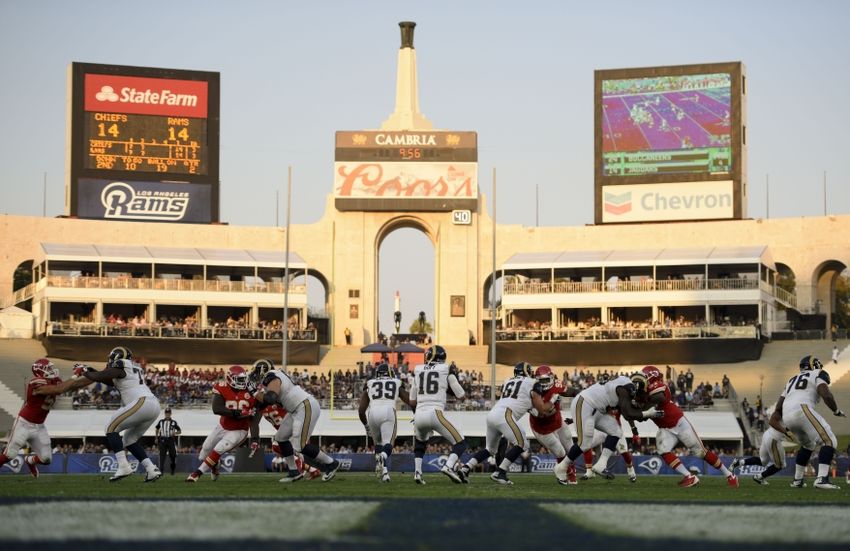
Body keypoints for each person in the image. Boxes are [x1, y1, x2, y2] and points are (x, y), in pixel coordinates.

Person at [635, 365, 738, 488]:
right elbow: (641, 416)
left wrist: (641, 405)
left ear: (651, 378)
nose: (640, 382)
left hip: (679, 423)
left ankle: (730, 475)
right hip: (665, 429)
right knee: (663, 450)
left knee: (701, 453)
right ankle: (689, 476)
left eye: (643, 378)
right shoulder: (641, 394)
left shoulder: (659, 387)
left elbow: (658, 398)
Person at [553, 371, 660, 485]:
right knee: (584, 444)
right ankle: (561, 467)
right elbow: (628, 413)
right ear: (638, 386)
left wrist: (645, 413)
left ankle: (601, 465)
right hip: (585, 403)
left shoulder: (623, 385)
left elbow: (630, 413)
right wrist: (648, 413)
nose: (640, 395)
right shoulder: (626, 387)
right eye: (641, 391)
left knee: (616, 432)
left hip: (597, 409)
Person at [459, 362, 552, 485]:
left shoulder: (508, 381)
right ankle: (500, 472)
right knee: (522, 443)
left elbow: (522, 400)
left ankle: (466, 468)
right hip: (505, 415)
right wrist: (551, 403)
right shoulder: (532, 383)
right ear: (528, 372)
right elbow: (540, 409)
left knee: (490, 450)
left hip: (493, 414)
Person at [80, 346, 163, 482]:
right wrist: (88, 370)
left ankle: (123, 466)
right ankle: (151, 469)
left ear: (117, 358)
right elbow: (105, 378)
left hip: (141, 402)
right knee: (129, 440)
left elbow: (101, 375)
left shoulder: (121, 364)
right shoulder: (130, 368)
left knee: (110, 428)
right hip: (153, 405)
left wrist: (84, 372)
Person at [0, 359, 92, 477]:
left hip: (39, 426)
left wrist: (95, 376)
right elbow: (59, 389)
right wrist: (76, 374)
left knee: (46, 459)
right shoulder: (36, 383)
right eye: (48, 368)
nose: (51, 370)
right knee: (9, 455)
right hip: (24, 423)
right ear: (40, 371)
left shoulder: (55, 380)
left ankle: (30, 461)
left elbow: (75, 384)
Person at [255, 364, 341, 483]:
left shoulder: (272, 376)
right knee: (280, 438)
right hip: (295, 409)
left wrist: (254, 391)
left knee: (299, 445)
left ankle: (331, 463)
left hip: (304, 406)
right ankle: (293, 471)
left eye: (257, 372)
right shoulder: (275, 376)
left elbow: (270, 399)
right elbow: (265, 402)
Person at [774, 355, 845, 489]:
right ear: (814, 365)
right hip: (802, 409)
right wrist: (835, 410)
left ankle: (797, 480)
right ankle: (822, 479)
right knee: (829, 441)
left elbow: (778, 407)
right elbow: (826, 394)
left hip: (787, 415)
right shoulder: (818, 373)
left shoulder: (791, 380)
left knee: (808, 445)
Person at [248, 359, 321, 480]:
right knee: (285, 448)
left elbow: (291, 405)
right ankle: (311, 470)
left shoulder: (275, 395)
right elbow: (255, 420)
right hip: (286, 431)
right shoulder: (261, 402)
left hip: (295, 425)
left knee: (280, 446)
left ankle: (301, 471)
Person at [187, 365, 260, 482]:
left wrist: (255, 439)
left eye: (244, 379)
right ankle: (215, 466)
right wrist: (239, 412)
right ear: (230, 379)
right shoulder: (222, 387)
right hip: (223, 426)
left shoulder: (251, 392)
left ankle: (196, 474)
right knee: (204, 452)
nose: (243, 382)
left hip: (239, 430)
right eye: (240, 379)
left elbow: (254, 419)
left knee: (219, 448)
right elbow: (217, 409)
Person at [409, 344, 468, 484]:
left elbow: (412, 400)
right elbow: (461, 395)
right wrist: (446, 387)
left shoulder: (418, 370)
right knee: (461, 442)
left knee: (420, 443)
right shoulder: (446, 368)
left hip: (419, 413)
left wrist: (416, 415)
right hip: (435, 412)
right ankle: (448, 466)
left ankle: (417, 473)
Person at [358, 361, 413, 482]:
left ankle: (384, 473)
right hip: (388, 411)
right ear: (389, 373)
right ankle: (383, 457)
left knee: (378, 444)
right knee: (388, 443)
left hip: (372, 413)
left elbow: (361, 410)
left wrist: (367, 426)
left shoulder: (370, 383)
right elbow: (409, 401)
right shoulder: (396, 382)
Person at [528, 365, 578, 484]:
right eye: (541, 381)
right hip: (542, 429)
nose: (544, 384)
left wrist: (581, 394)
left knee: (571, 449)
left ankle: (572, 469)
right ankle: (568, 473)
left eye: (546, 380)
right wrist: (552, 401)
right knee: (560, 452)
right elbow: (542, 413)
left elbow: (570, 391)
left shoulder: (556, 385)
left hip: (557, 422)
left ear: (551, 378)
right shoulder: (531, 392)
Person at [730, 412, 792, 485]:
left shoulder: (784, 410)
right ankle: (759, 477)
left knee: (763, 461)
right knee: (781, 465)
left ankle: (739, 462)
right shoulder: (790, 415)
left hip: (767, 435)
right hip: (774, 439)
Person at [155, 407, 181, 475]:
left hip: (170, 440)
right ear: (165, 414)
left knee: (173, 455)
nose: (167, 414)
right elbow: (157, 429)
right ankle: (161, 471)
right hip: (163, 440)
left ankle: (172, 469)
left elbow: (179, 431)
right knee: (162, 456)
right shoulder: (161, 421)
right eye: (166, 413)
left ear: (170, 414)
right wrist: (156, 438)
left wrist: (174, 433)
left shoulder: (173, 422)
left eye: (169, 413)